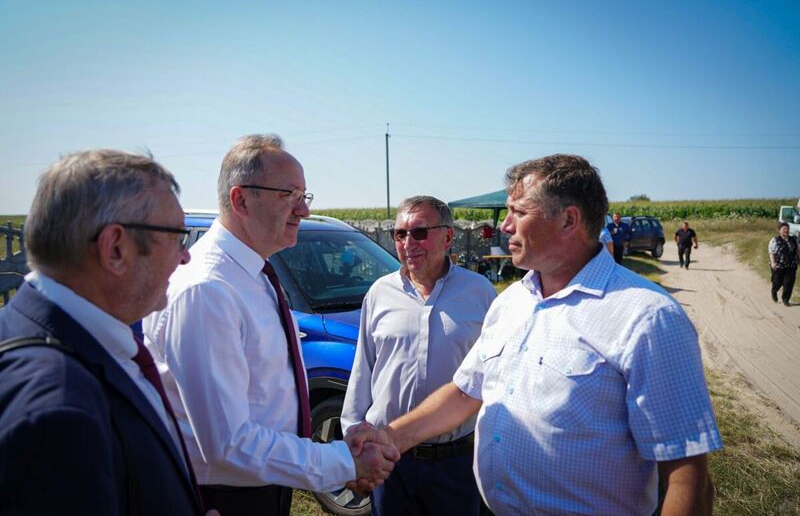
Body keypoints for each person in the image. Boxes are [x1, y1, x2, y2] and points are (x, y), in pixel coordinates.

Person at [348, 154, 722, 515]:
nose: (505, 226)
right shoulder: (512, 302)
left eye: (519, 212)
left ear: (568, 220)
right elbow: (464, 393)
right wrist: (389, 439)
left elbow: (688, 479)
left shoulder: (646, 317)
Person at [144, 134, 398, 516]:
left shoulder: (253, 272)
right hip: (223, 497)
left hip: (260, 485)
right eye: (289, 195)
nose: (304, 211)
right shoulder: (209, 290)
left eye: (304, 197)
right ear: (240, 199)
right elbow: (228, 444)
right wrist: (341, 461)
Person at [0, 150, 206, 515]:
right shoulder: (57, 413)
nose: (186, 256)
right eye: (178, 236)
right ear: (115, 249)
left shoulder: (53, 334)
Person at [341, 196, 497, 516]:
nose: (408, 243)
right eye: (400, 234)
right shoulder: (380, 293)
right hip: (389, 463)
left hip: (456, 464)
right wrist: (352, 440)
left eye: (420, 233)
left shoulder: (480, 293)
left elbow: (495, 377)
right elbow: (363, 370)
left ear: (448, 237)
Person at [768, 221, 799, 306]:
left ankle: (786, 299)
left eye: (787, 228)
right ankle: (774, 290)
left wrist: (798, 259)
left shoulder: (793, 239)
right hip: (779, 265)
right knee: (777, 282)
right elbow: (771, 252)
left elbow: (797, 250)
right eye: (784, 229)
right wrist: (773, 263)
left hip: (791, 265)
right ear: (779, 231)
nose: (786, 230)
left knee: (788, 283)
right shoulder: (775, 240)